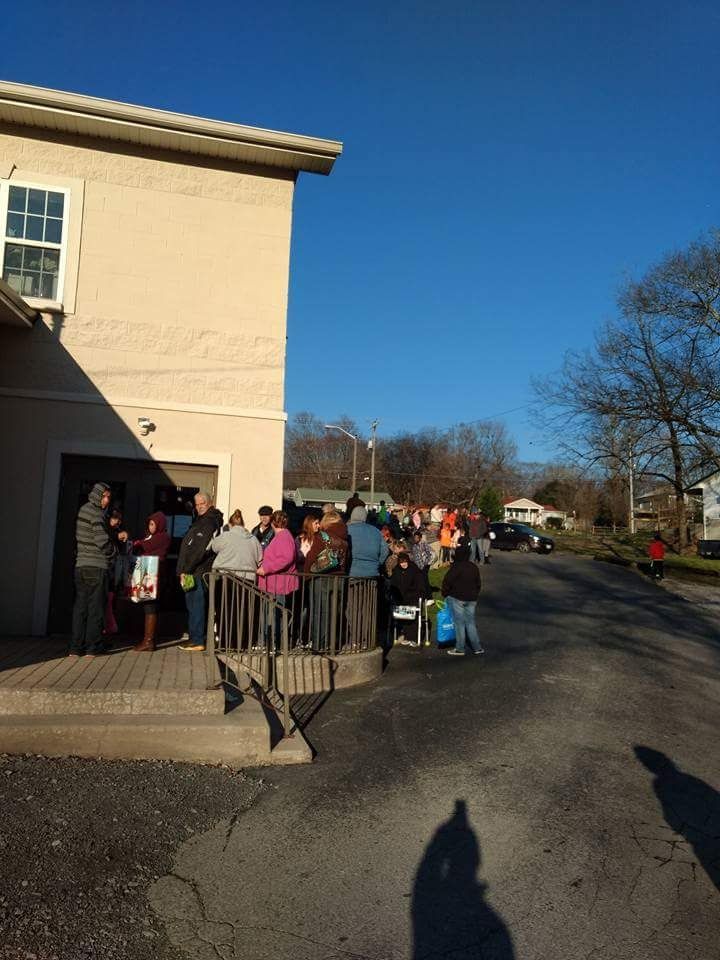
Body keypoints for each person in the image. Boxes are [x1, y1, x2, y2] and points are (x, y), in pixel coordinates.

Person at [70, 482, 116, 658]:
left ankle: (75, 647)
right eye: (105, 497)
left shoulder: (83, 510)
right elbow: (101, 540)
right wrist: (113, 553)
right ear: (98, 495)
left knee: (80, 607)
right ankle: (92, 648)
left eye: (108, 498)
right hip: (97, 567)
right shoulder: (96, 513)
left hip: (81, 565)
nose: (107, 501)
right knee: (96, 609)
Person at [177, 491, 223, 652]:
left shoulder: (209, 522)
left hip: (197, 572)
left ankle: (197, 639)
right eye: (196, 504)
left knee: (196, 605)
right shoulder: (201, 520)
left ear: (210, 503)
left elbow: (200, 550)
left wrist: (186, 569)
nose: (199, 507)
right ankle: (195, 637)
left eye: (202, 503)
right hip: (191, 571)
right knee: (192, 604)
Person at [257, 511, 299, 646]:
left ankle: (272, 643)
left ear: (273, 522)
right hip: (274, 583)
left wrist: (266, 568)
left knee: (273, 615)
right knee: (273, 614)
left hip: (276, 584)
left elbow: (285, 558)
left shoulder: (283, 536)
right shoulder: (283, 536)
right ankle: (270, 642)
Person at [131, 511, 171, 652]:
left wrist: (136, 543)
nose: (150, 526)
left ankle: (149, 641)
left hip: (153, 573)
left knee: (150, 605)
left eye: (153, 524)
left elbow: (143, 546)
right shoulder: (152, 536)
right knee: (148, 605)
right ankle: (147, 639)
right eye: (149, 523)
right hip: (148, 571)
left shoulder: (162, 537)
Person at [441, 545, 484, 657]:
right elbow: (478, 583)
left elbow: (447, 581)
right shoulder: (473, 567)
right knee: (470, 623)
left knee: (459, 624)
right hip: (472, 599)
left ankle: (460, 648)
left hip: (458, 598)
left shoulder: (456, 567)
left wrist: (445, 594)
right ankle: (477, 647)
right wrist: (475, 594)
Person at [209, 509, 262, 581]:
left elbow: (214, 547)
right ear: (243, 525)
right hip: (248, 580)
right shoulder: (254, 539)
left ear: (230, 524)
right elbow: (260, 559)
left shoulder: (225, 536)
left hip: (225, 578)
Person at [390, 552, 427, 646]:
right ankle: (406, 636)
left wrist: (418, 595)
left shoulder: (414, 570)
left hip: (413, 597)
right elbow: (393, 585)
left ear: (408, 561)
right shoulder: (396, 571)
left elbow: (420, 585)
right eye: (401, 562)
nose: (403, 564)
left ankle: (414, 638)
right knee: (403, 616)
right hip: (401, 598)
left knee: (413, 615)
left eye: (405, 561)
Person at [105, 508, 129, 637]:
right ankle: (110, 626)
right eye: (114, 518)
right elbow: (105, 538)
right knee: (106, 599)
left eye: (119, 519)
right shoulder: (106, 530)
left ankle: (110, 626)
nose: (117, 521)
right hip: (106, 568)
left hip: (115, 570)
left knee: (110, 598)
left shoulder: (118, 531)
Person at [347, 506, 390, 577]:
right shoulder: (376, 531)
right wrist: (377, 563)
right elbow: (385, 550)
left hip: (351, 572)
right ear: (365, 517)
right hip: (372, 573)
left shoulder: (347, 530)